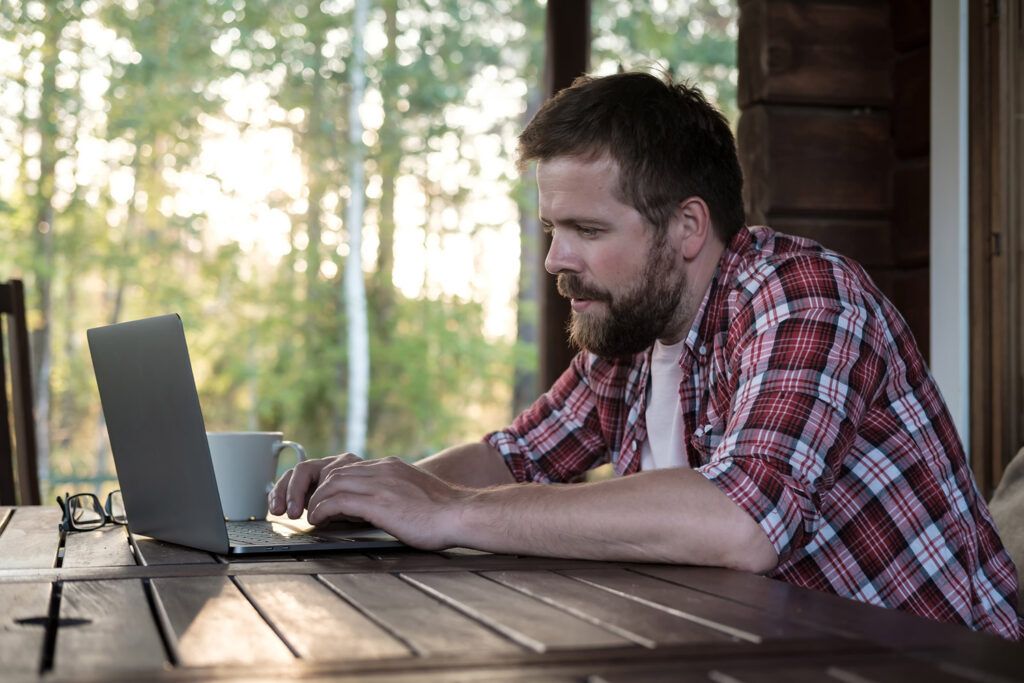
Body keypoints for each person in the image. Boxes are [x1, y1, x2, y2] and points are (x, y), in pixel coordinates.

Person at [269, 71, 1022, 640]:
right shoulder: (632, 333)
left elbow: (743, 522)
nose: (556, 258)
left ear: (687, 227)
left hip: (941, 661)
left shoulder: (804, 296)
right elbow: (515, 455)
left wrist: (451, 511)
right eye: (550, 229)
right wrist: (367, 499)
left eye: (588, 230)